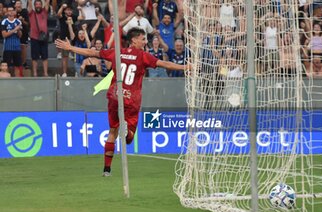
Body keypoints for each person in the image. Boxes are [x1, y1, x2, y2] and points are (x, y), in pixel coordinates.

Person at [55, 27, 190, 176]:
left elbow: (92, 52)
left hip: (115, 94)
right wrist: (186, 67)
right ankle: (126, 131)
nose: (145, 42)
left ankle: (107, 169)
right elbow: (166, 64)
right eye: (143, 39)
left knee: (112, 131)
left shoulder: (117, 52)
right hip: (131, 98)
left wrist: (69, 47)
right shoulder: (143, 56)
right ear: (134, 40)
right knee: (128, 139)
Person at [28, 0, 50, 77]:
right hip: (34, 37)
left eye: (39, 4)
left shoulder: (44, 11)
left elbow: (47, 2)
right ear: (34, 6)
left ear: (41, 5)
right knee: (34, 57)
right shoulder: (31, 13)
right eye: (36, 4)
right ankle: (35, 73)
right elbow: (30, 2)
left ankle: (45, 73)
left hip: (43, 38)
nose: (38, 6)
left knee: (45, 56)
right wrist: (30, 2)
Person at [1, 5, 23, 77]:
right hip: (7, 47)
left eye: (12, 11)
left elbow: (20, 35)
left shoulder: (18, 21)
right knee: (6, 66)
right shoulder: (4, 22)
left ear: (14, 12)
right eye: (9, 11)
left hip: (17, 47)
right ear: (7, 12)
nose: (10, 12)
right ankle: (6, 80)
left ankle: (17, 82)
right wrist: (14, 29)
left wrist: (18, 30)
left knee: (17, 66)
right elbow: (4, 35)